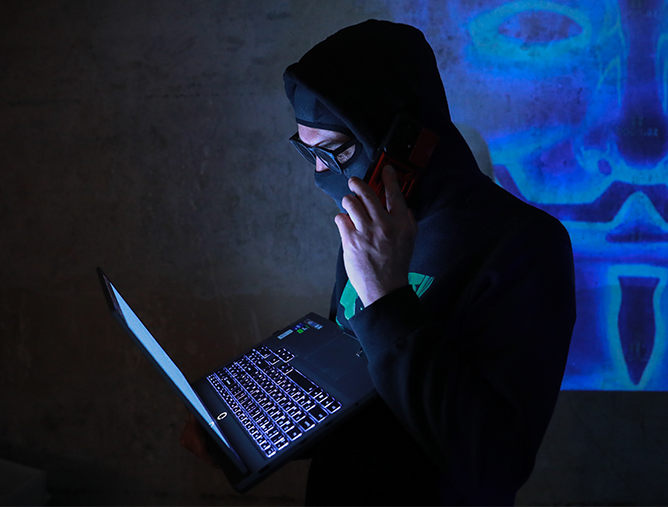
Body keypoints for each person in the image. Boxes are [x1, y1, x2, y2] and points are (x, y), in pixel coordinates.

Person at [185, 19, 576, 506]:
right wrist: (248, 426)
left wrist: (386, 297)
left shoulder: (526, 245)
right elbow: (359, 397)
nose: (321, 174)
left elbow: (492, 463)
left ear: (408, 140)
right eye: (309, 153)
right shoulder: (375, 222)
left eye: (336, 151)